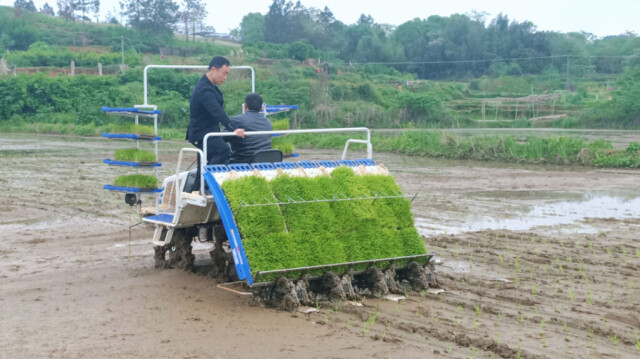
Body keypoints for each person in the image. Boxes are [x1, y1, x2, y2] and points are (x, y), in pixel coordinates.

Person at [186, 56, 245, 165]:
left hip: (211, 131)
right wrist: (233, 128)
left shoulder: (211, 87)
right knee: (223, 150)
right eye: (224, 73)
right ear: (213, 69)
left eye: (227, 74)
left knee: (203, 166)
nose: (225, 77)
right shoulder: (204, 89)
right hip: (202, 133)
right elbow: (217, 111)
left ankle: (202, 180)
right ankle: (210, 179)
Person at [227, 93, 273, 164]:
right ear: (261, 108)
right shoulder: (268, 122)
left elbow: (222, 137)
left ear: (245, 105)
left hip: (241, 161)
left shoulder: (237, 120)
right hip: (264, 162)